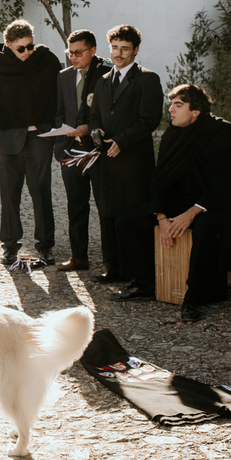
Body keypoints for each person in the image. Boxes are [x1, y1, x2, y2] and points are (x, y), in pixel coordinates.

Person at [115, 84, 231, 320]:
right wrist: (161, 217)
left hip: (210, 203)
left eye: (178, 105)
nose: (171, 111)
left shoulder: (220, 131)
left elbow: (226, 183)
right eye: (171, 105)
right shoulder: (172, 133)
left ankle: (193, 296)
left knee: (206, 228)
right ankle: (146, 283)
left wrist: (193, 212)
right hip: (176, 202)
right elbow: (159, 180)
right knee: (126, 223)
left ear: (195, 111)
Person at [0, 20, 62, 267]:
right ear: (9, 45)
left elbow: (60, 97)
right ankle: (10, 247)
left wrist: (59, 135)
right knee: (9, 195)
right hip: (8, 140)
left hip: (40, 138)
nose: (27, 52)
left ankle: (45, 246)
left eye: (30, 46)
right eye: (21, 48)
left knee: (40, 192)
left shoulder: (45, 61)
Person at [88, 24, 164, 290]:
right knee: (107, 212)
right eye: (115, 48)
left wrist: (122, 140)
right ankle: (114, 268)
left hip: (133, 161)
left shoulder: (147, 79)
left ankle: (138, 275)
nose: (119, 54)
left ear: (136, 50)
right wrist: (96, 132)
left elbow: (149, 120)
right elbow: (95, 115)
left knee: (130, 215)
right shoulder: (103, 81)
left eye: (125, 49)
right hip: (106, 160)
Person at [53, 29, 113, 271]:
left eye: (79, 52)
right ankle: (79, 257)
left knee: (105, 207)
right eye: (70, 53)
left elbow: (112, 115)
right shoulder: (64, 76)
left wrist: (90, 128)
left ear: (93, 50)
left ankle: (110, 261)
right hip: (71, 152)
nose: (74, 57)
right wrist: (62, 131)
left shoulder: (107, 73)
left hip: (98, 152)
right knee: (75, 207)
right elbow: (59, 111)